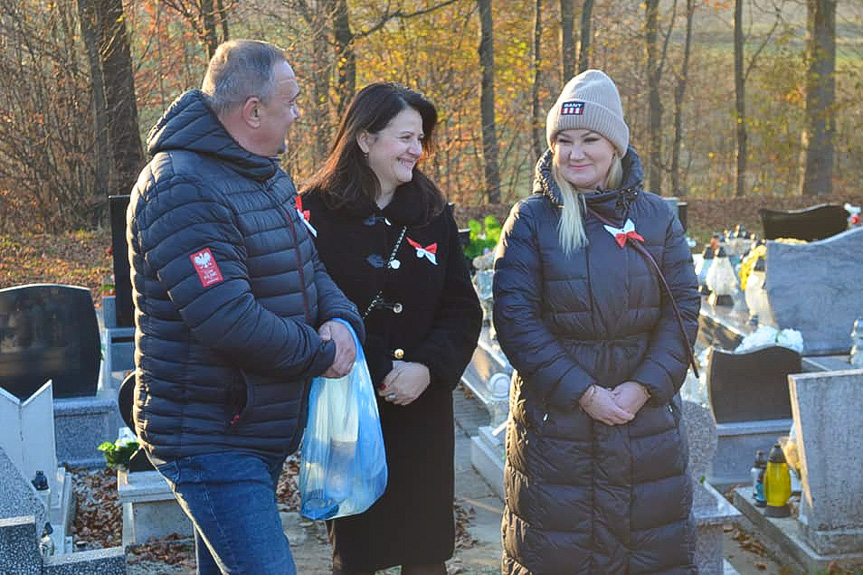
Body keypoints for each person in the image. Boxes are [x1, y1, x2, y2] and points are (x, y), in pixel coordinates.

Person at [127, 39, 364, 575]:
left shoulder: (264, 175)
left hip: (253, 427)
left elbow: (310, 266)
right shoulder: (180, 187)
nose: (299, 113)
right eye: (292, 102)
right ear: (253, 111)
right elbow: (225, 316)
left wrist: (343, 319)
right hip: (210, 435)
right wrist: (320, 353)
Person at [492, 69, 700, 574]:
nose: (575, 152)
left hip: (644, 424)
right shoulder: (532, 219)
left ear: (616, 146)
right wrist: (584, 392)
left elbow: (682, 310)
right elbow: (516, 319)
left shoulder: (657, 218)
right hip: (557, 425)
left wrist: (643, 387)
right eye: (564, 140)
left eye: (590, 139)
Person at [300, 82, 483, 575]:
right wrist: (380, 369)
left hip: (422, 411)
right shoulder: (311, 211)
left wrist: (427, 368)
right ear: (364, 139)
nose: (416, 151)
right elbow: (307, 304)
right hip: (351, 406)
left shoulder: (432, 213)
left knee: (425, 552)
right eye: (405, 137)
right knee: (357, 554)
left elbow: (463, 310)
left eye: (420, 140)